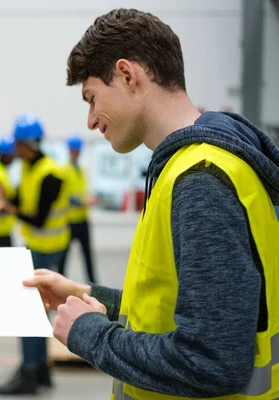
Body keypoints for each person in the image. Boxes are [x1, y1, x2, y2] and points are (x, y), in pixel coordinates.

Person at [23, 8, 279, 399]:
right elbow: (176, 310)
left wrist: (90, 333)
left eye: (92, 98)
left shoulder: (200, 180)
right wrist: (88, 294)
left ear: (128, 75)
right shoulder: (190, 166)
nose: (91, 120)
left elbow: (212, 359)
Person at [0, 115, 70, 395]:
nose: (14, 147)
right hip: (36, 247)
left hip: (48, 249)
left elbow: (38, 218)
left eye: (18, 142)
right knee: (35, 311)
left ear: (29, 145)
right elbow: (24, 202)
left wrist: (8, 208)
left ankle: (29, 372)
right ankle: (40, 371)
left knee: (29, 312)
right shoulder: (27, 168)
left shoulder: (51, 173)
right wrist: (7, 199)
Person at [57, 135, 96, 281]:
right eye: (73, 150)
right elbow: (66, 197)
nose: (76, 153)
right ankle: (60, 281)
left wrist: (86, 200)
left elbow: (81, 192)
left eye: (78, 151)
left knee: (88, 255)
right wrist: (83, 202)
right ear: (69, 151)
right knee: (63, 256)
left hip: (83, 220)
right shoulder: (64, 170)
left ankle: (93, 283)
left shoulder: (81, 169)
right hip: (69, 221)